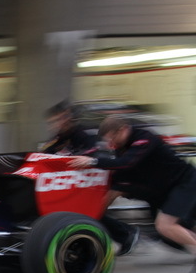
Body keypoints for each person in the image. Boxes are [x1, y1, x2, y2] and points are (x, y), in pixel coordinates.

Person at [70, 115, 196, 273]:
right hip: (162, 190)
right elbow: (118, 179)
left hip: (184, 182)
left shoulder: (144, 138)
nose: (111, 144)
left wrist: (93, 162)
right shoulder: (121, 146)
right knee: (178, 229)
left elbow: (127, 163)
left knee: (165, 226)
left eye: (112, 138)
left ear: (123, 130)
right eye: (108, 141)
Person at [41, 101, 139, 255]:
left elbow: (95, 153)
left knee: (88, 211)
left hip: (98, 178)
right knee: (78, 212)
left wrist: (73, 159)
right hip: (74, 182)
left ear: (68, 118)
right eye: (52, 122)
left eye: (58, 120)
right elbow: (44, 155)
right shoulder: (58, 139)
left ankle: (125, 234)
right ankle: (120, 234)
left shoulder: (85, 134)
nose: (55, 125)